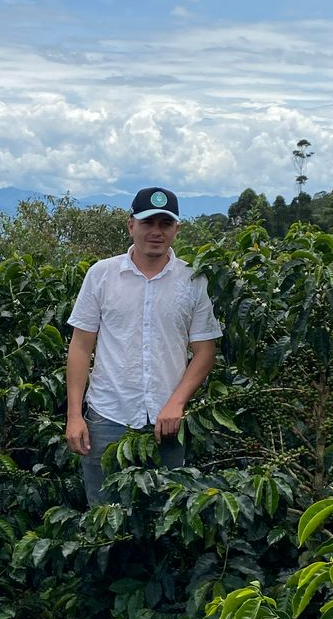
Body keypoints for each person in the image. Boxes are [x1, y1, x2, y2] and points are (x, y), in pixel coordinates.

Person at [65, 186, 222, 506]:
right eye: (148, 222)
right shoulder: (102, 275)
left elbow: (205, 350)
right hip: (107, 418)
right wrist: (74, 415)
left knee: (165, 517)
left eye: (165, 224)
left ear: (176, 229)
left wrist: (177, 403)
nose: (156, 231)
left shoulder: (193, 280)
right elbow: (81, 346)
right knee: (104, 518)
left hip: (166, 424)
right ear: (131, 225)